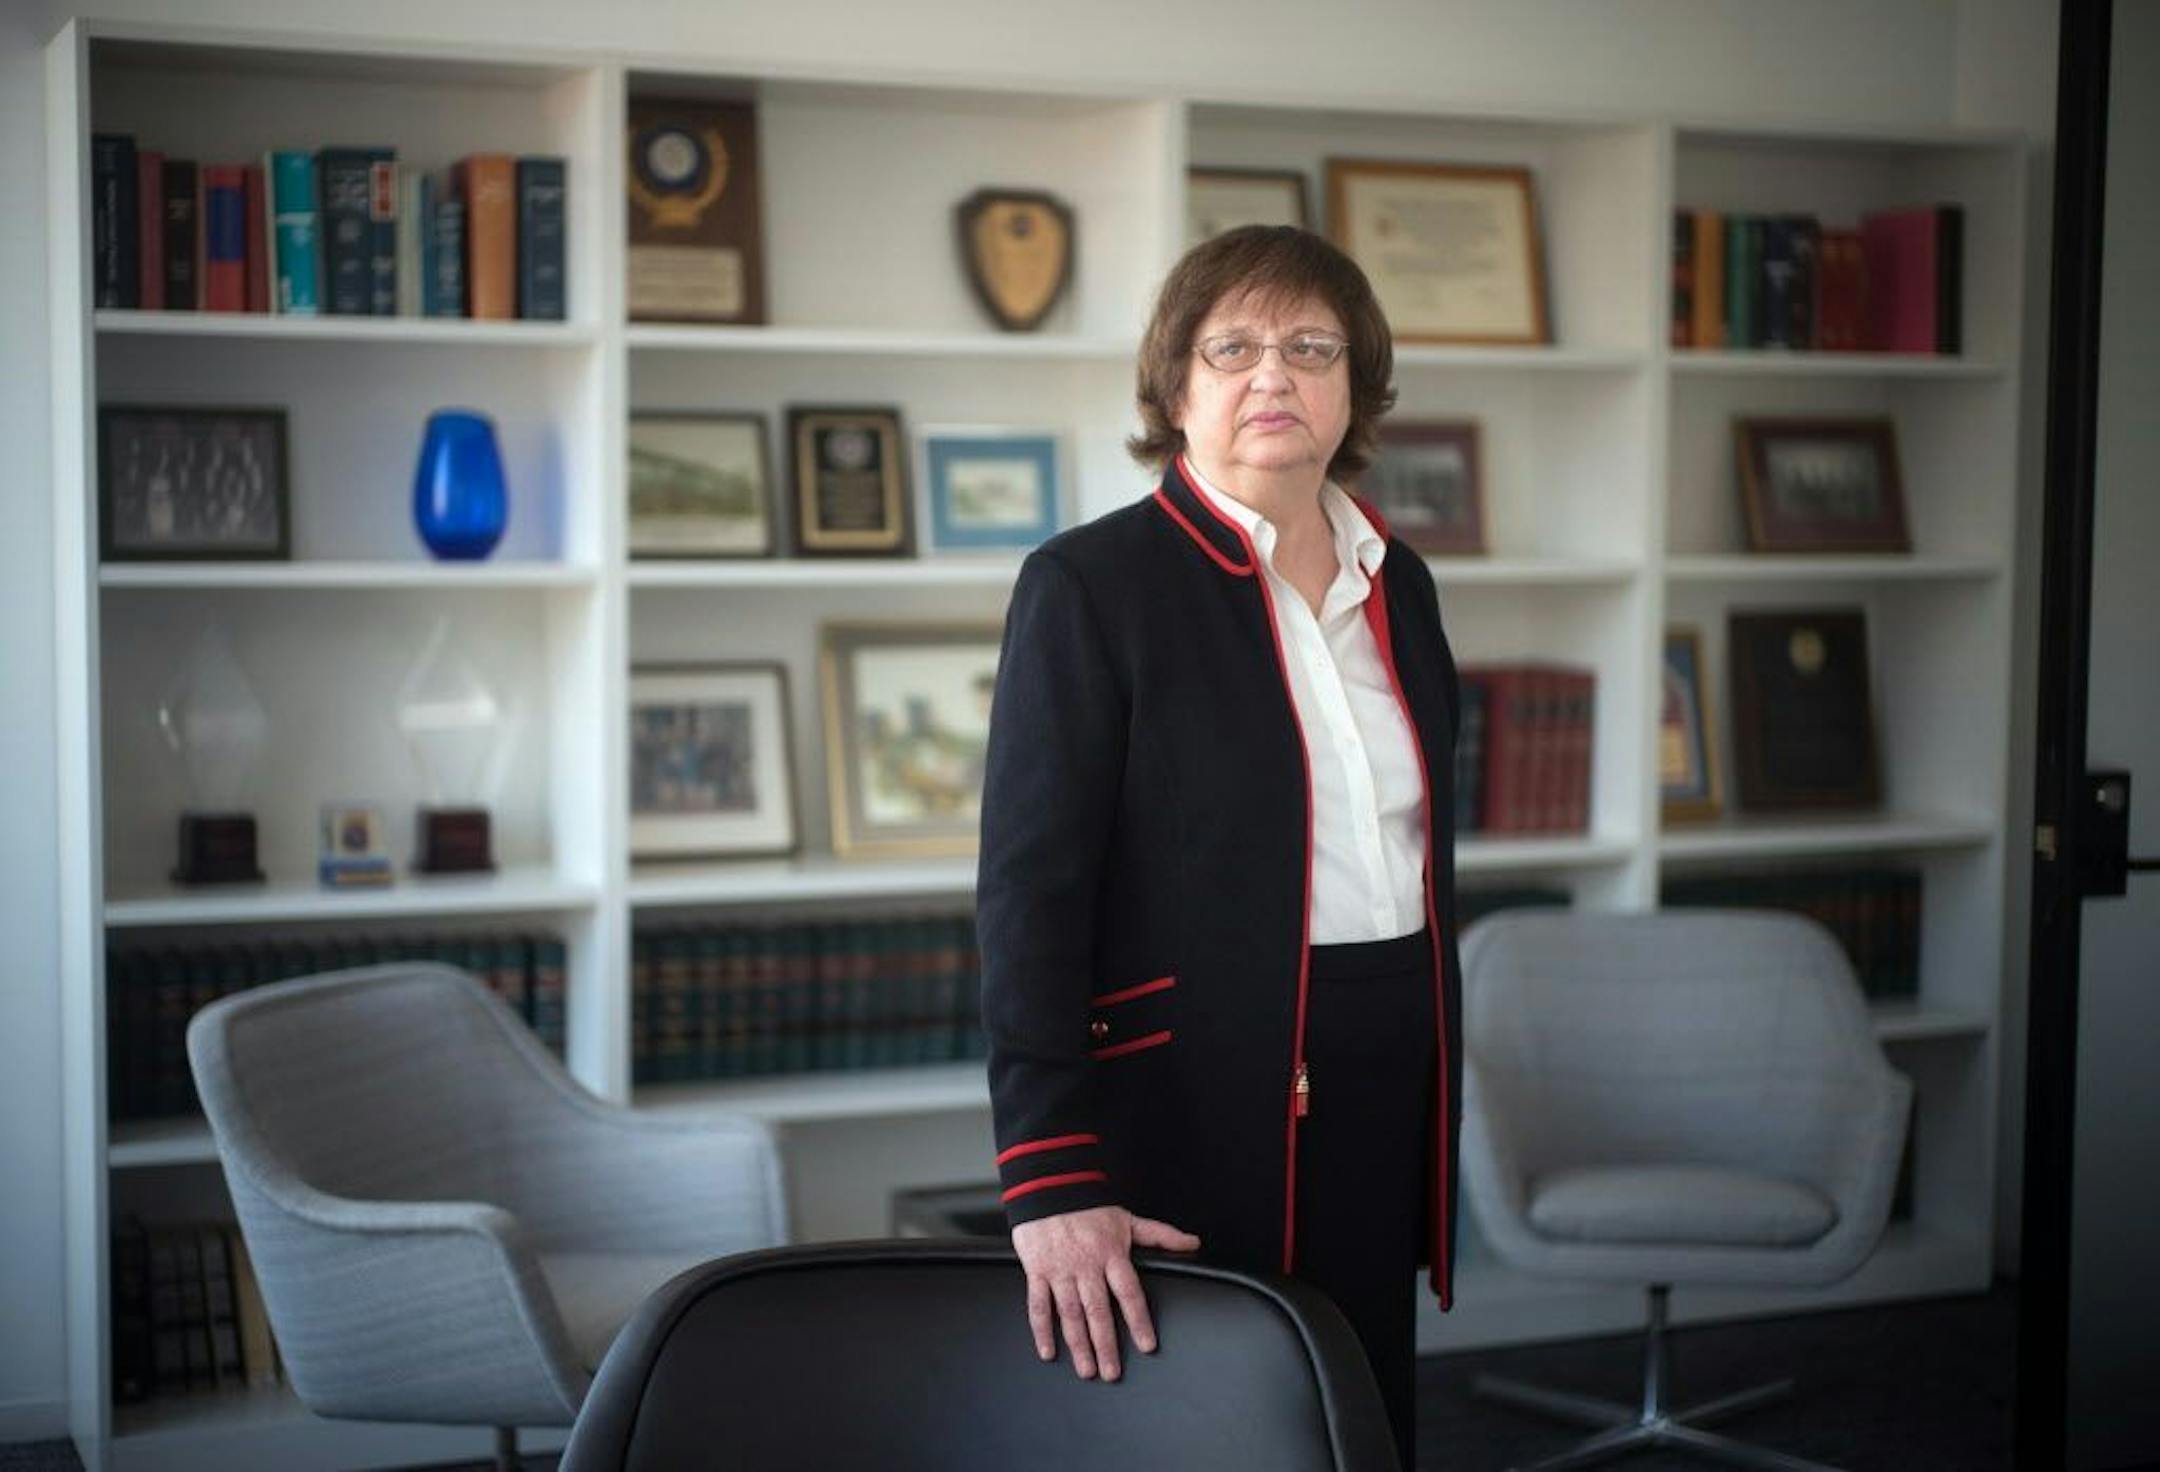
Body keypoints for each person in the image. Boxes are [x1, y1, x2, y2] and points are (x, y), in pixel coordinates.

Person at [975, 223, 1466, 1469]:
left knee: (1358, 1421)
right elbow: (1030, 896)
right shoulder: (1092, 585)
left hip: (1381, 1071)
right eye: (1232, 346)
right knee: (1198, 1432)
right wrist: (1048, 1174)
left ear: (1352, 384)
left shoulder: (1398, 581)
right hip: (1184, 1095)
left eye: (1311, 347)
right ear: (1176, 385)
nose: (1273, 377)